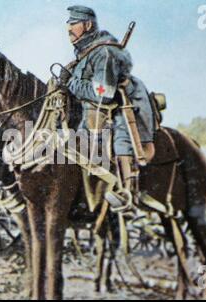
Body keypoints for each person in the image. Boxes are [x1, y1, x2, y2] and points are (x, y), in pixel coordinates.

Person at [62, 5, 156, 203]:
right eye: (68, 23)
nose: (68, 28)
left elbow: (103, 93)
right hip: (97, 110)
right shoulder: (86, 52)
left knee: (122, 140)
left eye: (73, 23)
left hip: (126, 105)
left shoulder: (103, 53)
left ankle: (127, 192)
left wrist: (71, 83)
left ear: (87, 25)